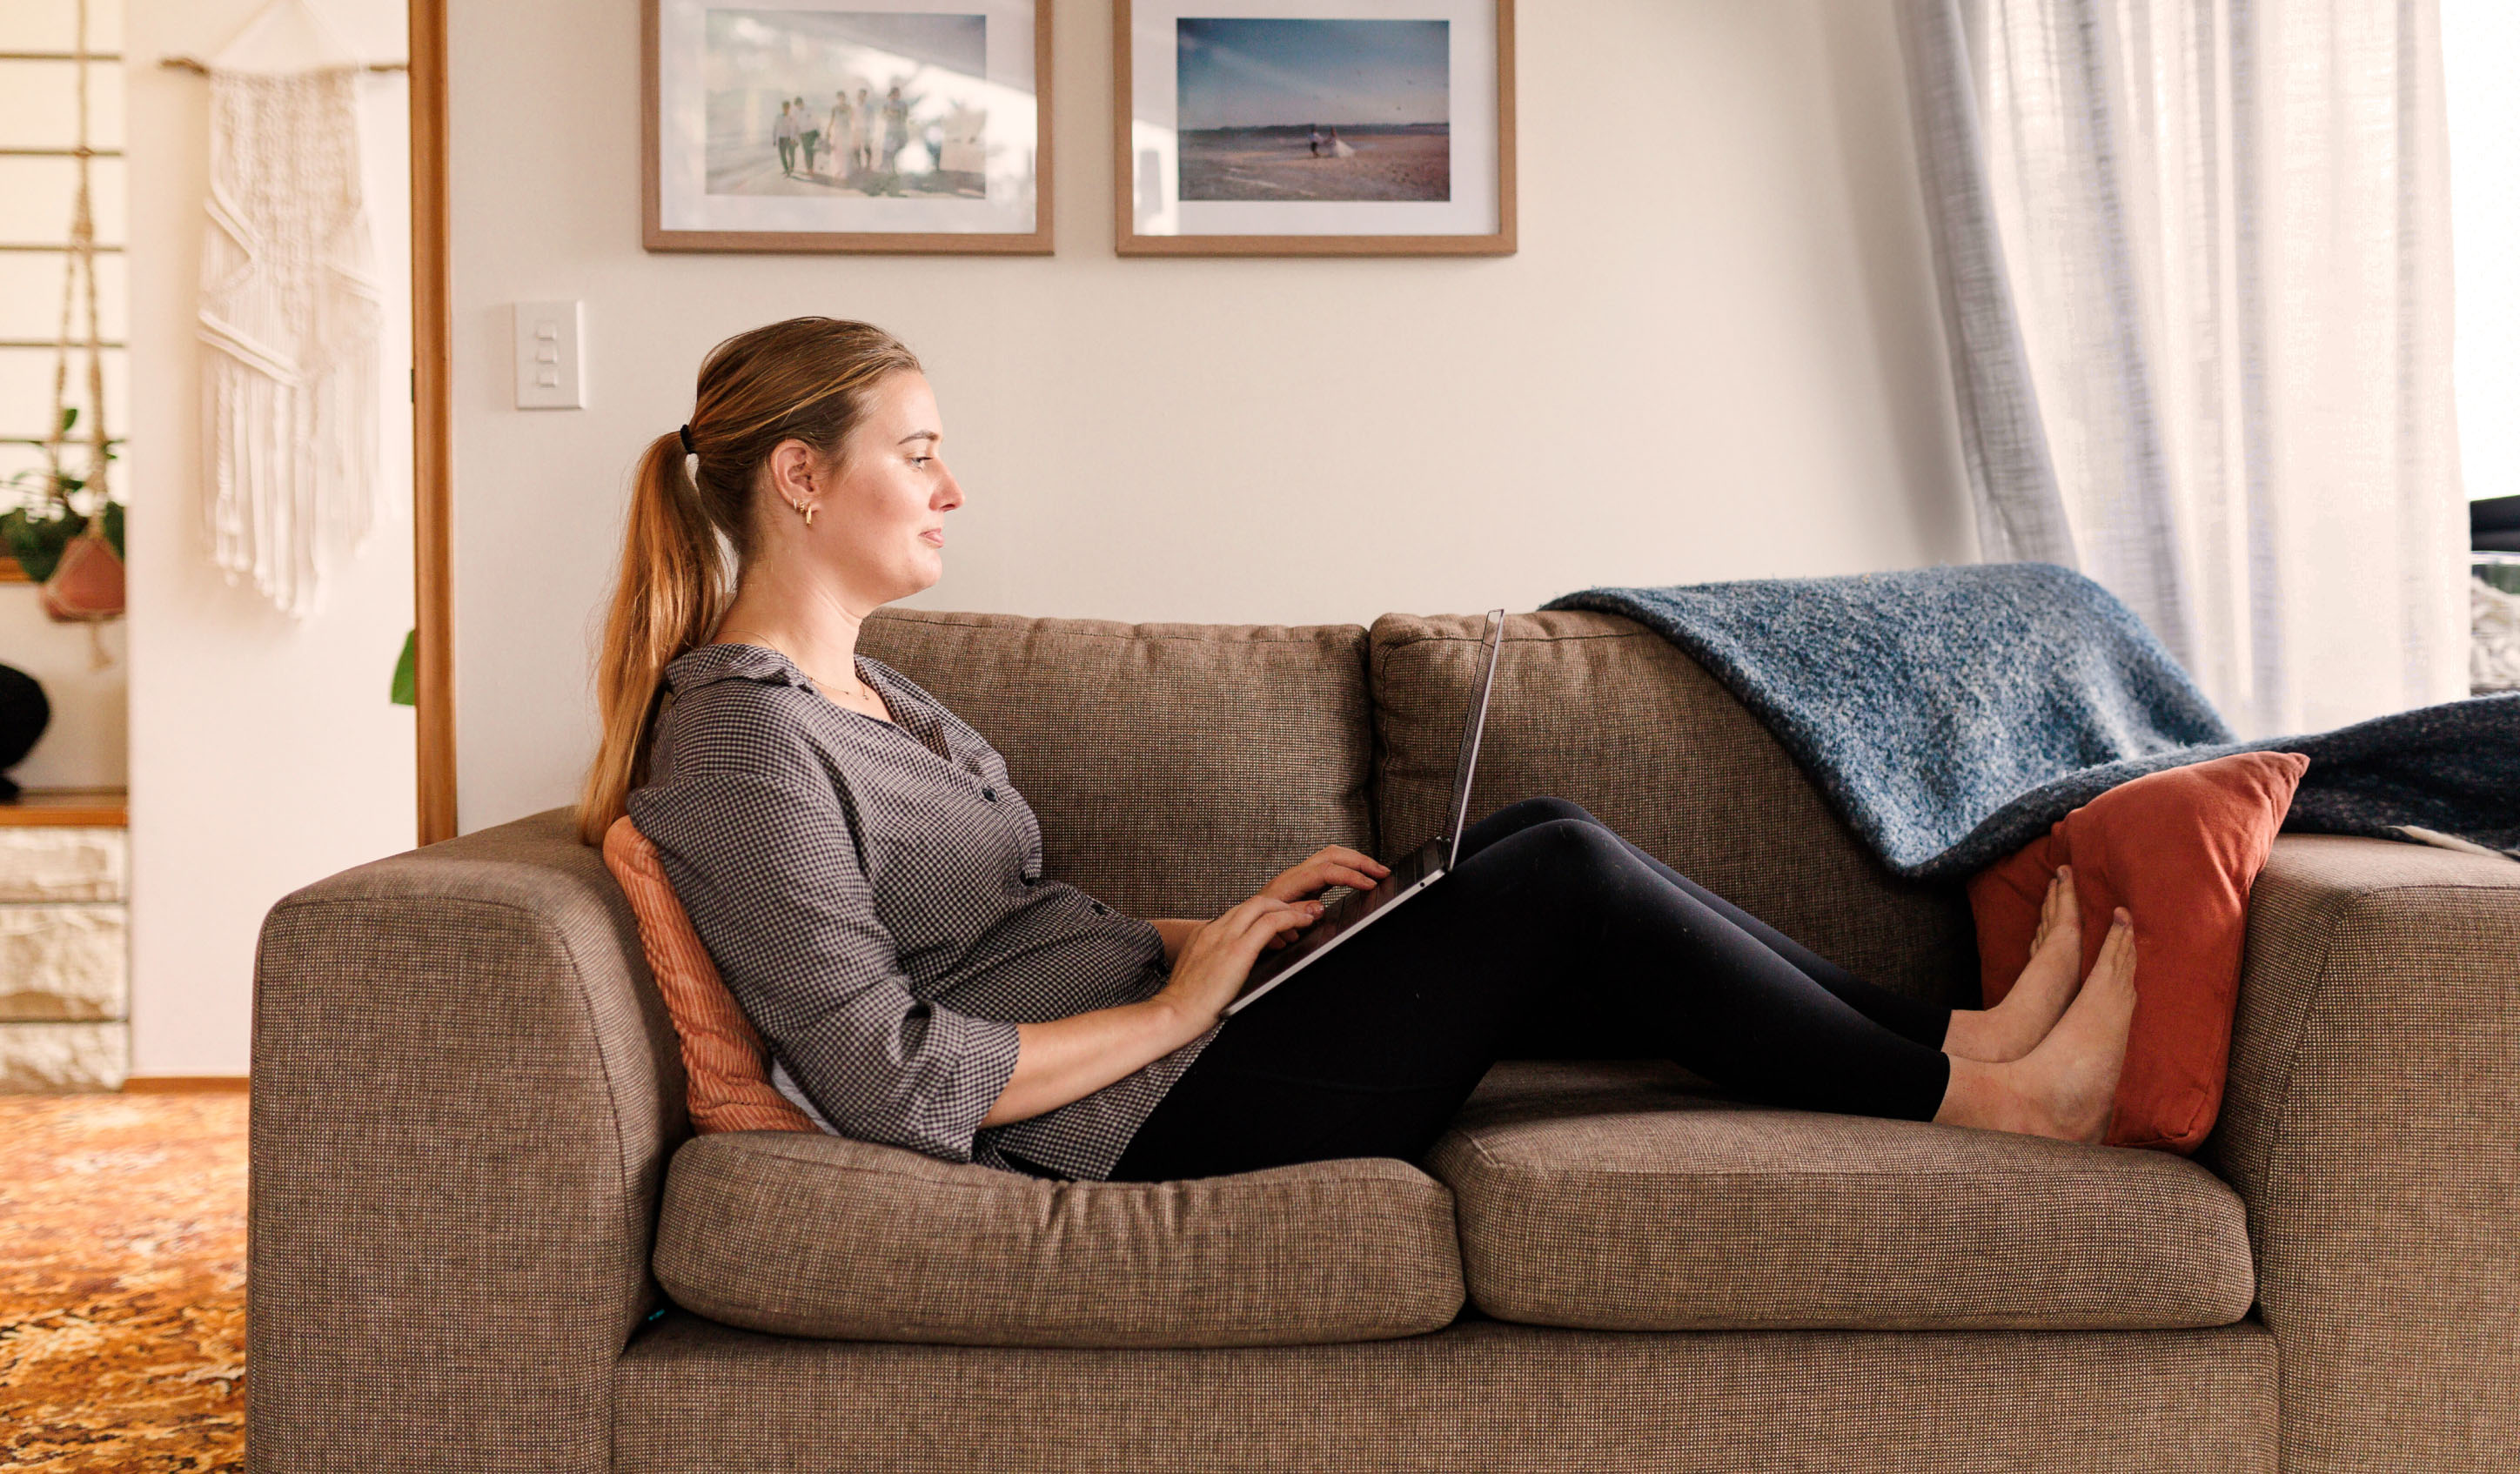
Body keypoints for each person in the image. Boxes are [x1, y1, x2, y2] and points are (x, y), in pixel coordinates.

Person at [581, 318, 2141, 1185]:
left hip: (1176, 1034)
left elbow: (1003, 930)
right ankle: (1996, 1097)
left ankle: (1968, 1034)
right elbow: (881, 1068)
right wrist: (1184, 999)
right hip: (1124, 1125)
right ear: (799, 475)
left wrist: (1232, 933)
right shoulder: (739, 745)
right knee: (1563, 879)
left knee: (1522, 837)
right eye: (917, 452)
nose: (950, 487)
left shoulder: (887, 696)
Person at [772, 100, 799, 178]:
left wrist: (795, 140)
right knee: (782, 155)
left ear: (789, 108)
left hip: (790, 139)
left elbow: (794, 129)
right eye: (784, 107)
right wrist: (774, 139)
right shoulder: (778, 117)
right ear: (782, 108)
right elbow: (775, 128)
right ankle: (787, 170)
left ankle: (791, 168)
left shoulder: (792, 117)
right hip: (781, 139)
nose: (785, 109)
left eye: (787, 107)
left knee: (791, 155)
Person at [796, 97, 821, 176]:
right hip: (803, 135)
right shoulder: (797, 113)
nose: (799, 106)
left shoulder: (809, 109)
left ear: (802, 102)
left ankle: (811, 168)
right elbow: (797, 125)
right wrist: (798, 135)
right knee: (806, 152)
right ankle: (809, 169)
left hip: (812, 133)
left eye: (800, 104)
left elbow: (816, 120)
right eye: (797, 105)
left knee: (811, 152)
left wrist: (818, 132)